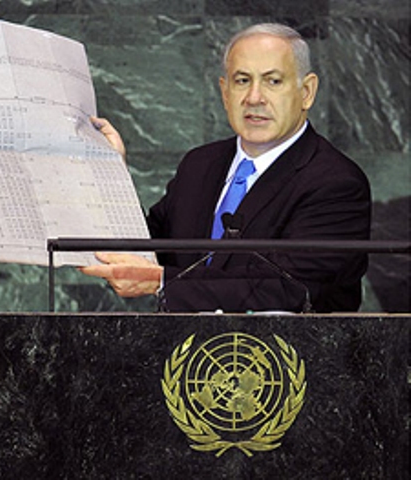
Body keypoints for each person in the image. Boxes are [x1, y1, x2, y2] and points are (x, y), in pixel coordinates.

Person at [80, 23, 371, 313]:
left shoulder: (336, 183)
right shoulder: (200, 164)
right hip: (180, 353)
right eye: (242, 80)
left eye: (273, 81)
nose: (254, 97)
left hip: (284, 357)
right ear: (224, 91)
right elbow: (145, 251)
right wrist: (110, 174)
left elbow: (292, 291)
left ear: (306, 92)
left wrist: (162, 281)